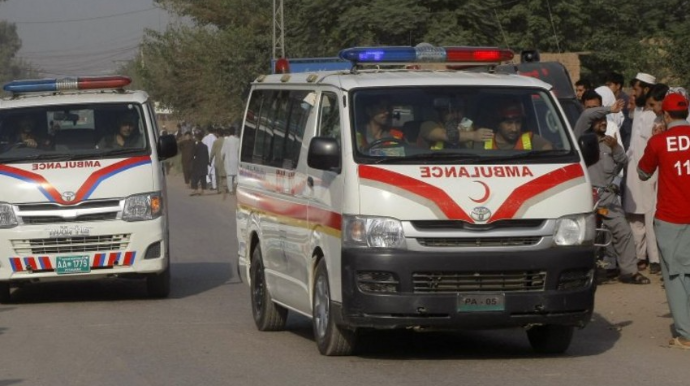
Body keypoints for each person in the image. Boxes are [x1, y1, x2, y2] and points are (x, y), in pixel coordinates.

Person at [575, 99, 650, 284]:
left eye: (605, 119)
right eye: (599, 119)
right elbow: (586, 114)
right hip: (585, 197)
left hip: (607, 198)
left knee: (623, 231)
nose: (603, 122)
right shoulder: (580, 138)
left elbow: (623, 162)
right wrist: (610, 108)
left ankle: (629, 272)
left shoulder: (610, 142)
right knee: (583, 237)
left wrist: (616, 148)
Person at [637, 92, 690, 348]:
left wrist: (655, 139)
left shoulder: (660, 142)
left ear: (666, 115)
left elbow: (643, 172)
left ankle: (686, 334)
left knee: (675, 275)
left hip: (671, 217)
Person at [624, 82, 668, 275]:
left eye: (636, 89)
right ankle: (645, 257)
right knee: (640, 216)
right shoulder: (644, 114)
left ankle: (652, 258)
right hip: (641, 171)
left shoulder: (654, 116)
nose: (633, 94)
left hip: (652, 171)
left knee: (648, 215)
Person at [417, 97, 493, 149]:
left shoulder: (472, 128)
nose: (456, 116)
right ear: (440, 114)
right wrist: (473, 135)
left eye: (459, 111)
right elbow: (444, 135)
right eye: (451, 112)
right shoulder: (428, 126)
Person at [481, 99, 553, 150]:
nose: (514, 129)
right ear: (498, 124)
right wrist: (471, 135)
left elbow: (548, 148)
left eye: (518, 122)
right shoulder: (485, 140)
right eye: (509, 123)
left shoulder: (529, 139)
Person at [221, 125, 240, 197]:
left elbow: (223, 151)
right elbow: (238, 150)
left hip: (228, 160)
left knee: (229, 175)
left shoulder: (226, 140)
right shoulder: (237, 140)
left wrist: (221, 158)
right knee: (235, 174)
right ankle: (235, 186)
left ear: (229, 132)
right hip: (236, 159)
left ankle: (231, 190)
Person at [190, 131, 209, 196]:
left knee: (195, 177)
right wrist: (207, 162)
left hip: (197, 163)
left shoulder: (196, 146)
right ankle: (204, 190)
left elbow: (193, 154)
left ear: (196, 138)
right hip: (203, 163)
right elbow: (207, 155)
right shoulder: (205, 146)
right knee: (203, 177)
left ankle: (195, 189)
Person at [209, 128, 227, 195]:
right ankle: (224, 188)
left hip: (218, 160)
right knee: (224, 175)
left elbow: (212, 152)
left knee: (217, 175)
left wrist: (210, 160)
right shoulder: (225, 141)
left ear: (218, 134)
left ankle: (219, 189)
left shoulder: (216, 142)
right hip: (225, 160)